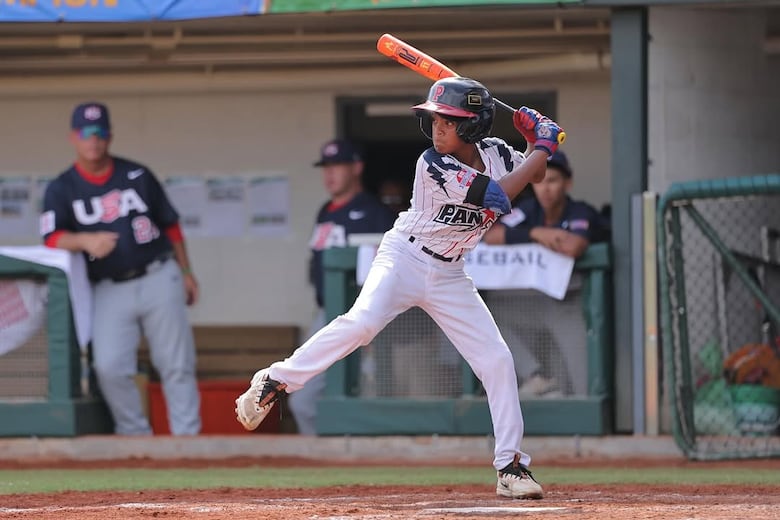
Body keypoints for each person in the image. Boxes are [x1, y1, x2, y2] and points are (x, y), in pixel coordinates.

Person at [235, 77, 564, 499]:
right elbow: (499, 195)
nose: (439, 129)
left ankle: (511, 467)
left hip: (450, 273)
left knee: (497, 359)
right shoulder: (433, 164)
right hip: (404, 258)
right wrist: (544, 143)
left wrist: (536, 140)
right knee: (363, 324)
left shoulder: (498, 152)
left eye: (450, 121)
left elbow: (534, 175)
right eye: (435, 120)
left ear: (473, 126)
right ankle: (275, 380)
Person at [40, 101, 201, 436]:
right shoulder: (62, 187)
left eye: (99, 132)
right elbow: (51, 238)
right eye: (86, 132)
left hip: (158, 274)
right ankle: (136, 438)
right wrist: (85, 240)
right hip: (108, 286)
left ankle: (187, 441)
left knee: (176, 364)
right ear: (74, 137)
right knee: (109, 367)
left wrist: (186, 273)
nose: (93, 140)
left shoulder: (137, 175)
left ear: (109, 136)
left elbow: (171, 226)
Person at [288, 138, 396, 435]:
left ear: (356, 168)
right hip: (327, 316)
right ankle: (320, 471)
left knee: (368, 399)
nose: (330, 174)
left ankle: (365, 473)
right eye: (326, 167)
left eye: (338, 166)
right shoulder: (325, 212)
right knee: (303, 401)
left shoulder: (375, 212)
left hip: (367, 321)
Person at [482, 150, 606, 396]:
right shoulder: (528, 210)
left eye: (553, 181)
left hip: (568, 303)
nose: (546, 189)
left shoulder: (579, 211)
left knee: (584, 385)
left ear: (567, 183)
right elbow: (491, 235)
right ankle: (535, 375)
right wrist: (537, 233)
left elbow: (574, 245)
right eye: (540, 182)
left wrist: (535, 236)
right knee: (488, 314)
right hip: (531, 302)